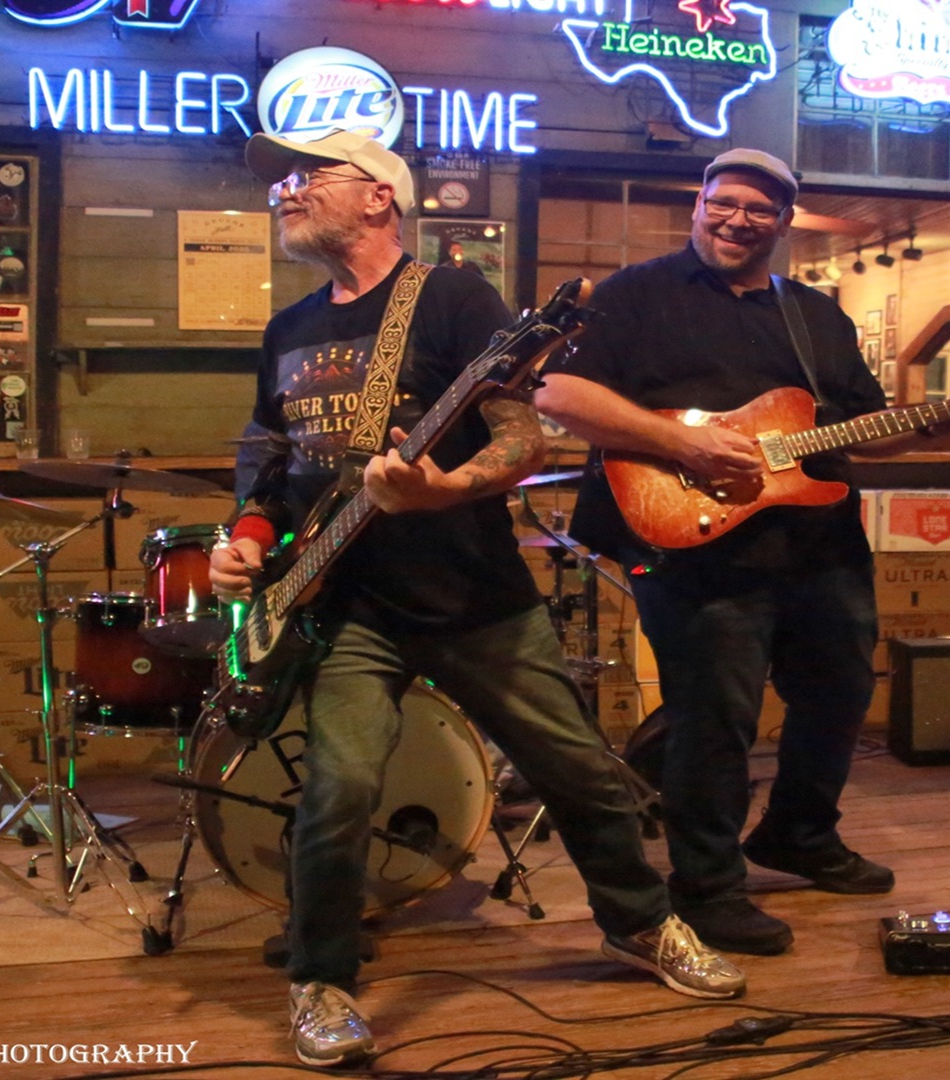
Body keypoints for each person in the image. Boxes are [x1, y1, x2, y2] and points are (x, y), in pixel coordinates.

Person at [213, 130, 745, 1068]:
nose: (284, 191)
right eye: (281, 180)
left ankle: (639, 924)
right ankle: (322, 977)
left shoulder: (453, 299)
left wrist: (444, 491)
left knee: (580, 772)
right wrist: (250, 540)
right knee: (336, 792)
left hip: (474, 597)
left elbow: (522, 440)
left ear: (380, 197)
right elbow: (269, 457)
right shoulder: (287, 328)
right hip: (344, 605)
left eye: (306, 175)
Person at [533, 148, 950, 956]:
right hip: (689, 545)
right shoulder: (635, 295)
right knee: (714, 718)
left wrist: (932, 420)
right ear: (699, 204)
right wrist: (682, 447)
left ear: (784, 223)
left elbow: (867, 431)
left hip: (819, 542)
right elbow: (554, 390)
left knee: (841, 694)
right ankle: (708, 886)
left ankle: (799, 832)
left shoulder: (815, 314)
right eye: (724, 202)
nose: (737, 219)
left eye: (759, 210)